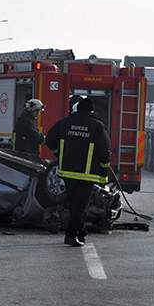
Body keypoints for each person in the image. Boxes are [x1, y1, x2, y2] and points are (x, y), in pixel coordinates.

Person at [45, 98, 111, 247]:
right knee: (79, 207)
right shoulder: (97, 126)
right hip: (86, 175)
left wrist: (58, 153)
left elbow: (49, 140)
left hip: (67, 172)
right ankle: (71, 235)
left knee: (75, 205)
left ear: (77, 109)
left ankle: (81, 232)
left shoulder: (64, 123)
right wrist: (104, 171)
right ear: (92, 110)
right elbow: (105, 152)